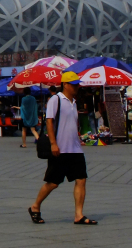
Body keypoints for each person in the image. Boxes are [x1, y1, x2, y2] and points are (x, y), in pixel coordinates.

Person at [28, 72, 96, 225]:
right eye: (74, 84)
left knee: (81, 179)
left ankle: (79, 215)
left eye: (78, 84)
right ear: (65, 84)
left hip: (75, 149)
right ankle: (35, 206)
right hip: (60, 148)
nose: (77, 86)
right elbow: (49, 122)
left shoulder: (74, 102)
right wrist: (53, 143)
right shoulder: (56, 99)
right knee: (53, 182)